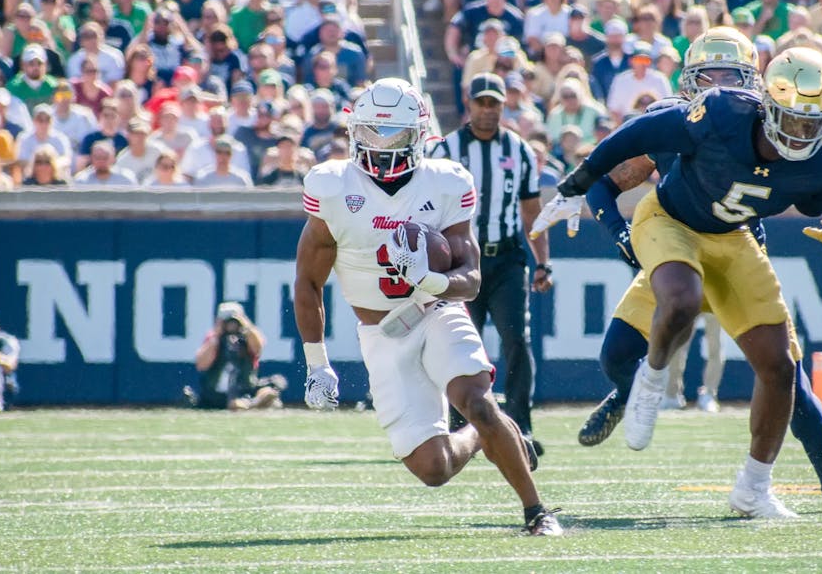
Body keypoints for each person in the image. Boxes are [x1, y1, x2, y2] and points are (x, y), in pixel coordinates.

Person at [534, 46, 822, 519]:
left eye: (811, 122)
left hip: (735, 245)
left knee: (782, 371)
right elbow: (627, 144)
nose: (801, 133)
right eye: (709, 76)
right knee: (638, 336)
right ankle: (645, 388)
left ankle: (797, 487)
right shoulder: (711, 115)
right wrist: (578, 188)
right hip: (671, 230)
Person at [293, 77, 560, 536]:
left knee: (476, 402)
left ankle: (537, 512)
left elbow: (472, 280)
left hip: (436, 312)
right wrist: (317, 363)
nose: (380, 147)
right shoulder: (333, 186)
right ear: (354, 134)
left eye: (393, 135)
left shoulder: (445, 182)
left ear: (418, 136)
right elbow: (307, 280)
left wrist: (430, 279)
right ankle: (485, 434)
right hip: (381, 334)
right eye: (371, 134)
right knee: (433, 468)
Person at [430, 72, 552, 454]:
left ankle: (519, 427)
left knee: (516, 339)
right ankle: (458, 426)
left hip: (505, 258)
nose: (487, 110)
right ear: (469, 104)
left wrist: (543, 262)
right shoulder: (445, 150)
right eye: (481, 102)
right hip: (461, 260)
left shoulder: (518, 150)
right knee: (458, 345)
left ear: (503, 105)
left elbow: (531, 210)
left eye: (494, 103)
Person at [185, 301, 282, 410]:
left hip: (245, 388)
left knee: (271, 387)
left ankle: (249, 403)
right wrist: (216, 337)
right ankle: (249, 405)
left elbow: (258, 348)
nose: (231, 324)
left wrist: (247, 328)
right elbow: (201, 365)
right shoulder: (214, 338)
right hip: (216, 393)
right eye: (227, 321)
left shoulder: (247, 337)